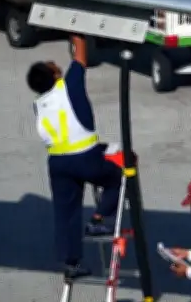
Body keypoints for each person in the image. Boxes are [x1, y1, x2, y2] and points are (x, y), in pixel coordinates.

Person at [26, 34, 124, 280]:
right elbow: (80, 55)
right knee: (118, 175)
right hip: (85, 158)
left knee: (65, 212)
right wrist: (77, 29)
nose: (54, 62)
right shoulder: (68, 86)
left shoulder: (40, 103)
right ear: (54, 76)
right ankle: (100, 218)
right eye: (51, 65)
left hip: (59, 162)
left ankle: (71, 264)